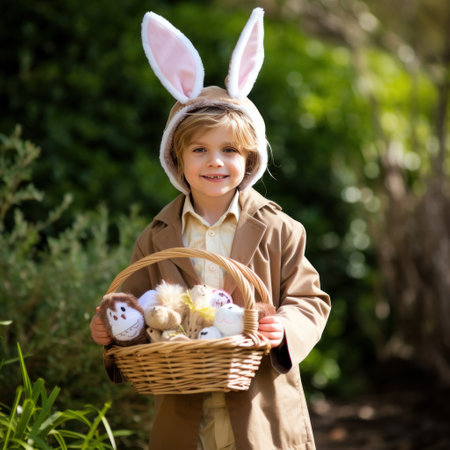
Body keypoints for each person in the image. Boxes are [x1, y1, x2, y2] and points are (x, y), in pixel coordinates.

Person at [90, 8, 330, 450]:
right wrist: (109, 328)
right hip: (186, 412)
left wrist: (285, 328)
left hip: (259, 406)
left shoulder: (279, 229)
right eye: (199, 149)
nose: (215, 162)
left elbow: (308, 299)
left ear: (250, 160)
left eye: (229, 150)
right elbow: (134, 307)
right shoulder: (157, 236)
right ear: (176, 160)